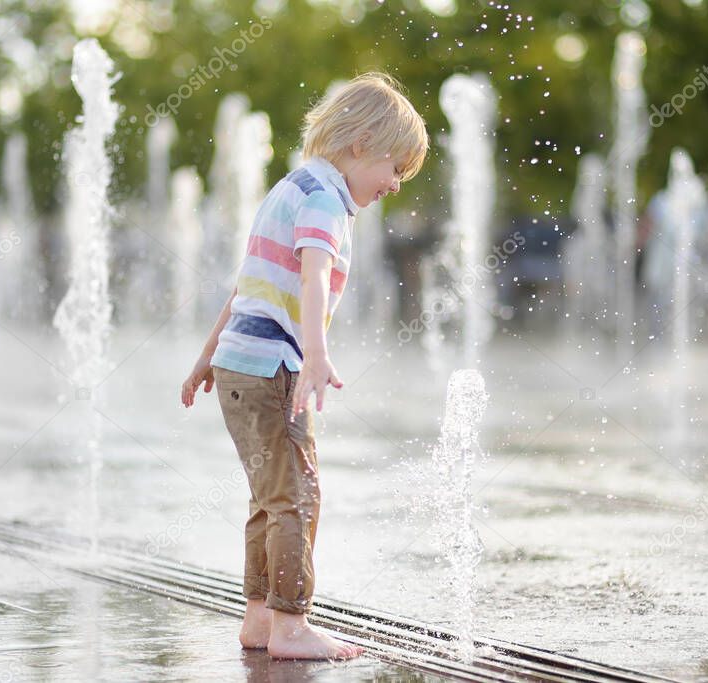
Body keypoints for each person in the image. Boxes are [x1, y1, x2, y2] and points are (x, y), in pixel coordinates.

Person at [181, 72, 428, 660]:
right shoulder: (324, 201)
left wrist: (206, 359)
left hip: (240, 367)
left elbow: (244, 288)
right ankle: (291, 625)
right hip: (273, 371)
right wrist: (314, 352)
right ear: (361, 143)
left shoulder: (290, 188)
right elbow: (314, 276)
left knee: (268, 498)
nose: (395, 184)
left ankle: (258, 618)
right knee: (298, 495)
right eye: (395, 168)